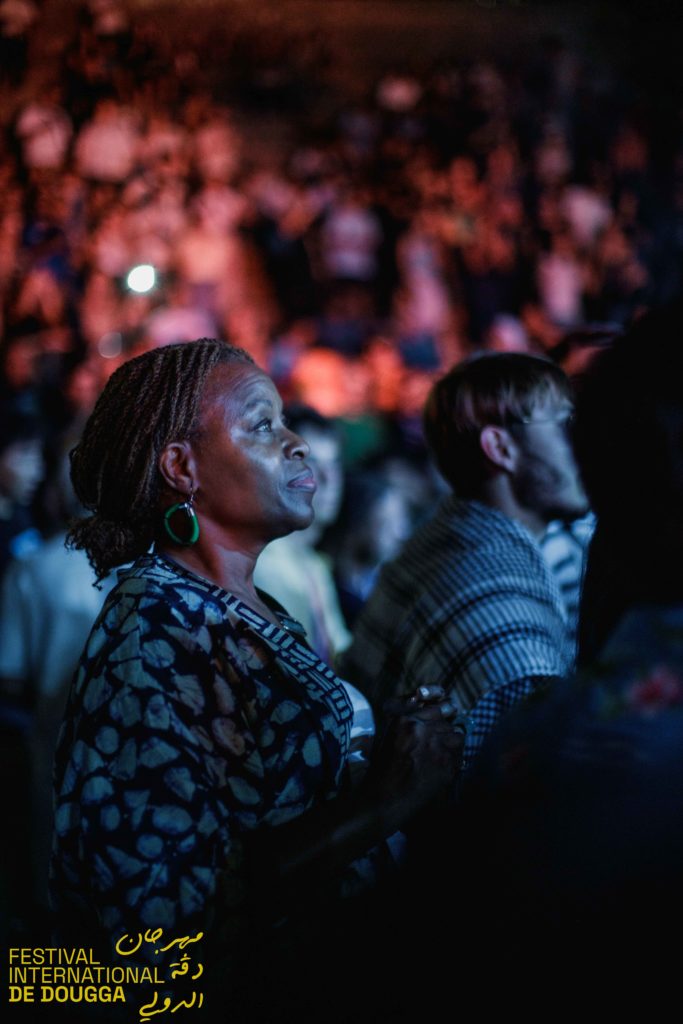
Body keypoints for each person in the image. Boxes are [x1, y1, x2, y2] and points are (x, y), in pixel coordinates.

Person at [49, 338, 462, 1019]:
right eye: (263, 425)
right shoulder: (156, 633)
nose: (296, 443)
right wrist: (387, 798)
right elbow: (160, 928)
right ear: (182, 466)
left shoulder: (237, 603)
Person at [341, 352, 589, 766]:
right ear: (500, 448)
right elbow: (516, 814)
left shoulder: (442, 535)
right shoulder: (518, 644)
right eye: (566, 424)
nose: (586, 442)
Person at [253, 404, 350, 662]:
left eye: (335, 464)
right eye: (313, 464)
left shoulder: (315, 565)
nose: (330, 480)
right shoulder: (262, 564)